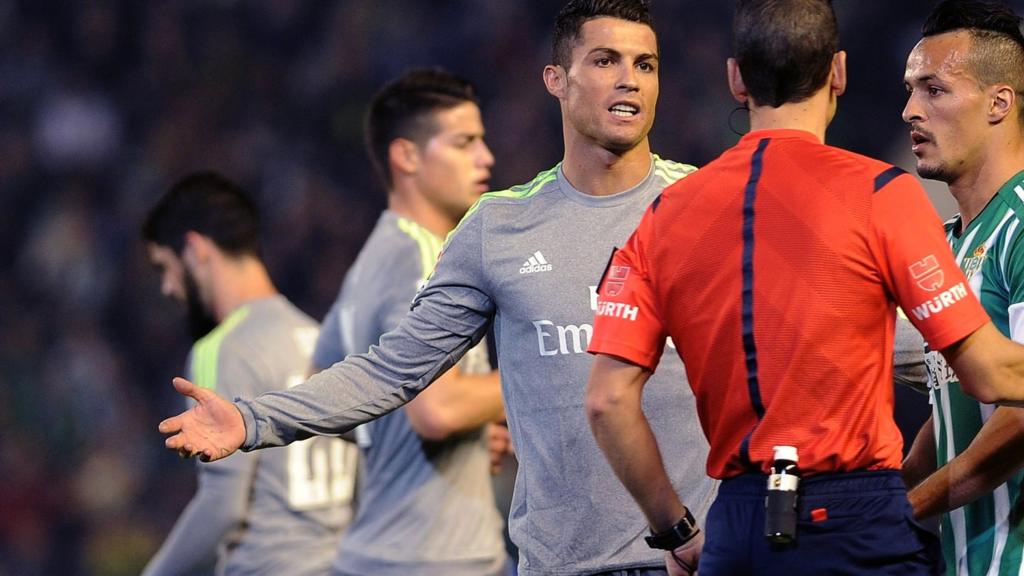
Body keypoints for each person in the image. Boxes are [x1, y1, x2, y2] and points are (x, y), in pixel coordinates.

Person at [158, 1, 718, 574]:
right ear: (556, 80)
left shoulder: (704, 205)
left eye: (645, 65)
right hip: (564, 566)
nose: (629, 78)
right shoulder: (496, 229)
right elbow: (391, 370)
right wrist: (251, 421)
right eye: (605, 60)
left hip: (699, 556)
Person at [585, 0, 1024, 574]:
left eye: (933, 90)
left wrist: (678, 531)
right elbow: (990, 374)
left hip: (737, 521)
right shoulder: (881, 196)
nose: (911, 109)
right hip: (856, 518)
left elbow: (607, 400)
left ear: (736, 78)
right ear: (837, 72)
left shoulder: (664, 213)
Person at [313, 68, 508, 576]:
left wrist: (461, 429)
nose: (486, 158)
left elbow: (325, 384)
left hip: (376, 555)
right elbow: (438, 410)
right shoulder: (424, 257)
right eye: (465, 142)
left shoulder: (371, 259)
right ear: (407, 156)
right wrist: (544, 372)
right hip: (438, 558)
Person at [140, 172, 358, 576]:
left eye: (163, 268)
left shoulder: (222, 347)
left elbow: (223, 504)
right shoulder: (319, 337)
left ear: (195, 249)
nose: (168, 287)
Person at [900, 2, 1024, 574]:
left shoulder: (1021, 224)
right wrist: (887, 493)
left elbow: (1020, 414)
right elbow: (954, 402)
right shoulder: (948, 242)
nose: (909, 111)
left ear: (1000, 102)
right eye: (909, 90)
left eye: (934, 90)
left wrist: (909, 508)